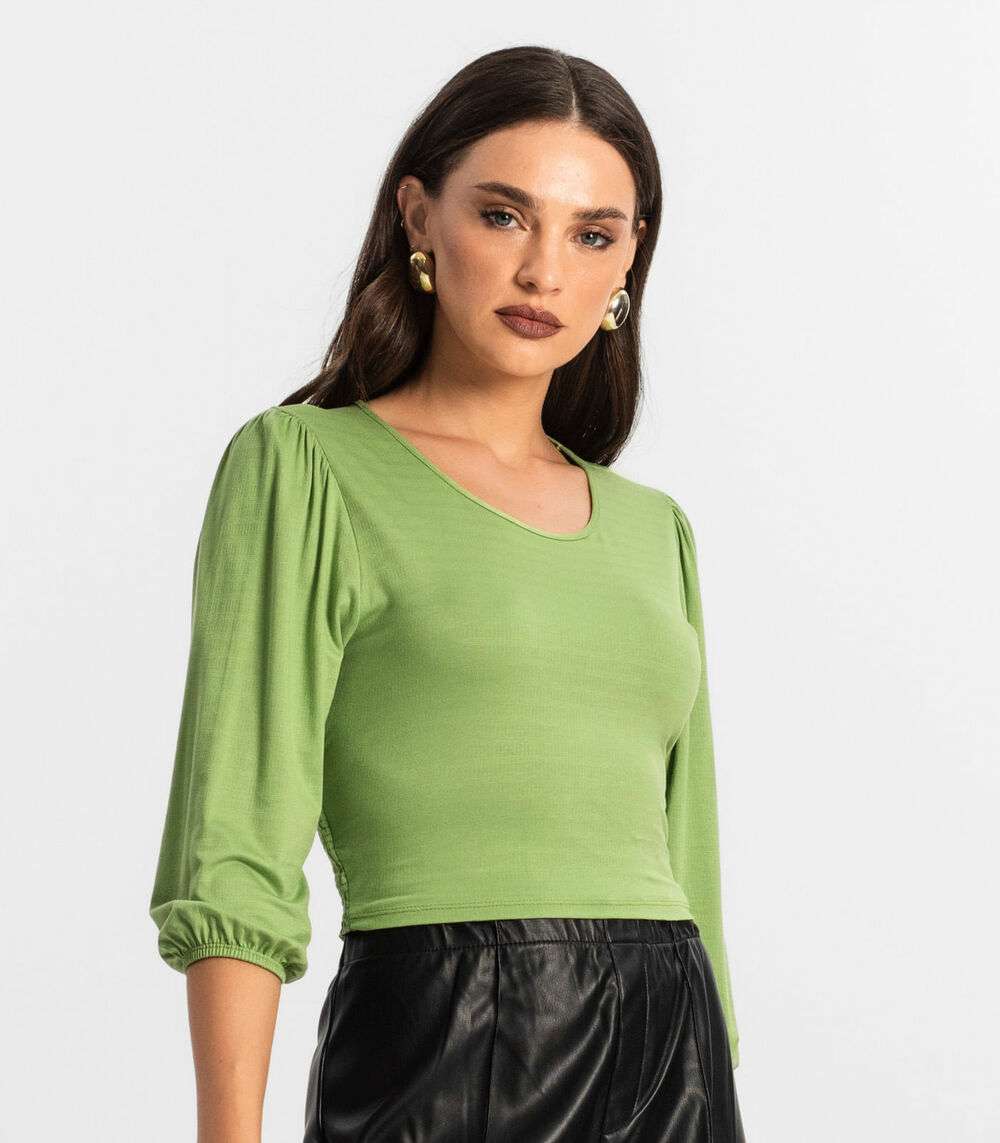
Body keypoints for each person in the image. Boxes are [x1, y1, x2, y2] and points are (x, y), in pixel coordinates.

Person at [149, 44, 745, 1143]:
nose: (543, 273)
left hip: (673, 1045)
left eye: (592, 234)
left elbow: (688, 861)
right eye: (504, 216)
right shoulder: (306, 468)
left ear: (629, 260)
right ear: (420, 217)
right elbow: (235, 841)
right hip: (451, 1031)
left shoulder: (653, 528)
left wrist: (715, 1072)